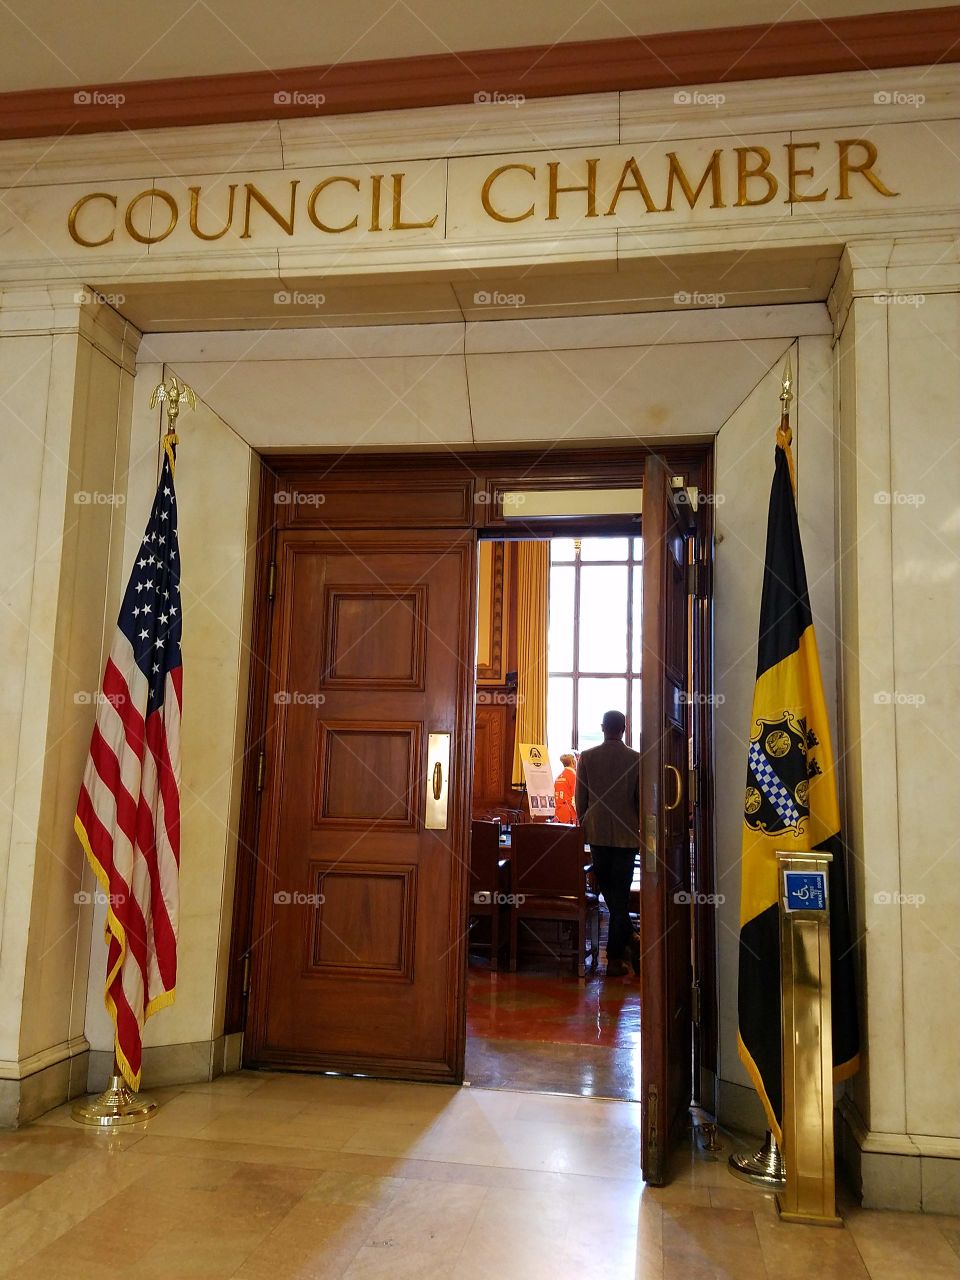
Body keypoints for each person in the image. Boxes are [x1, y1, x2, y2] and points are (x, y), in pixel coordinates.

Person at [575, 711, 641, 978]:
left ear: (603, 728)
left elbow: (581, 799)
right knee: (620, 895)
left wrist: (586, 822)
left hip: (598, 833)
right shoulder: (636, 759)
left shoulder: (587, 757)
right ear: (624, 729)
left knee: (609, 894)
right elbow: (640, 800)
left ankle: (621, 951)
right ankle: (622, 949)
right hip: (627, 835)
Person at [554, 752, 577, 824]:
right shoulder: (574, 776)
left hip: (559, 814)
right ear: (573, 762)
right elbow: (575, 798)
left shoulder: (558, 777)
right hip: (570, 815)